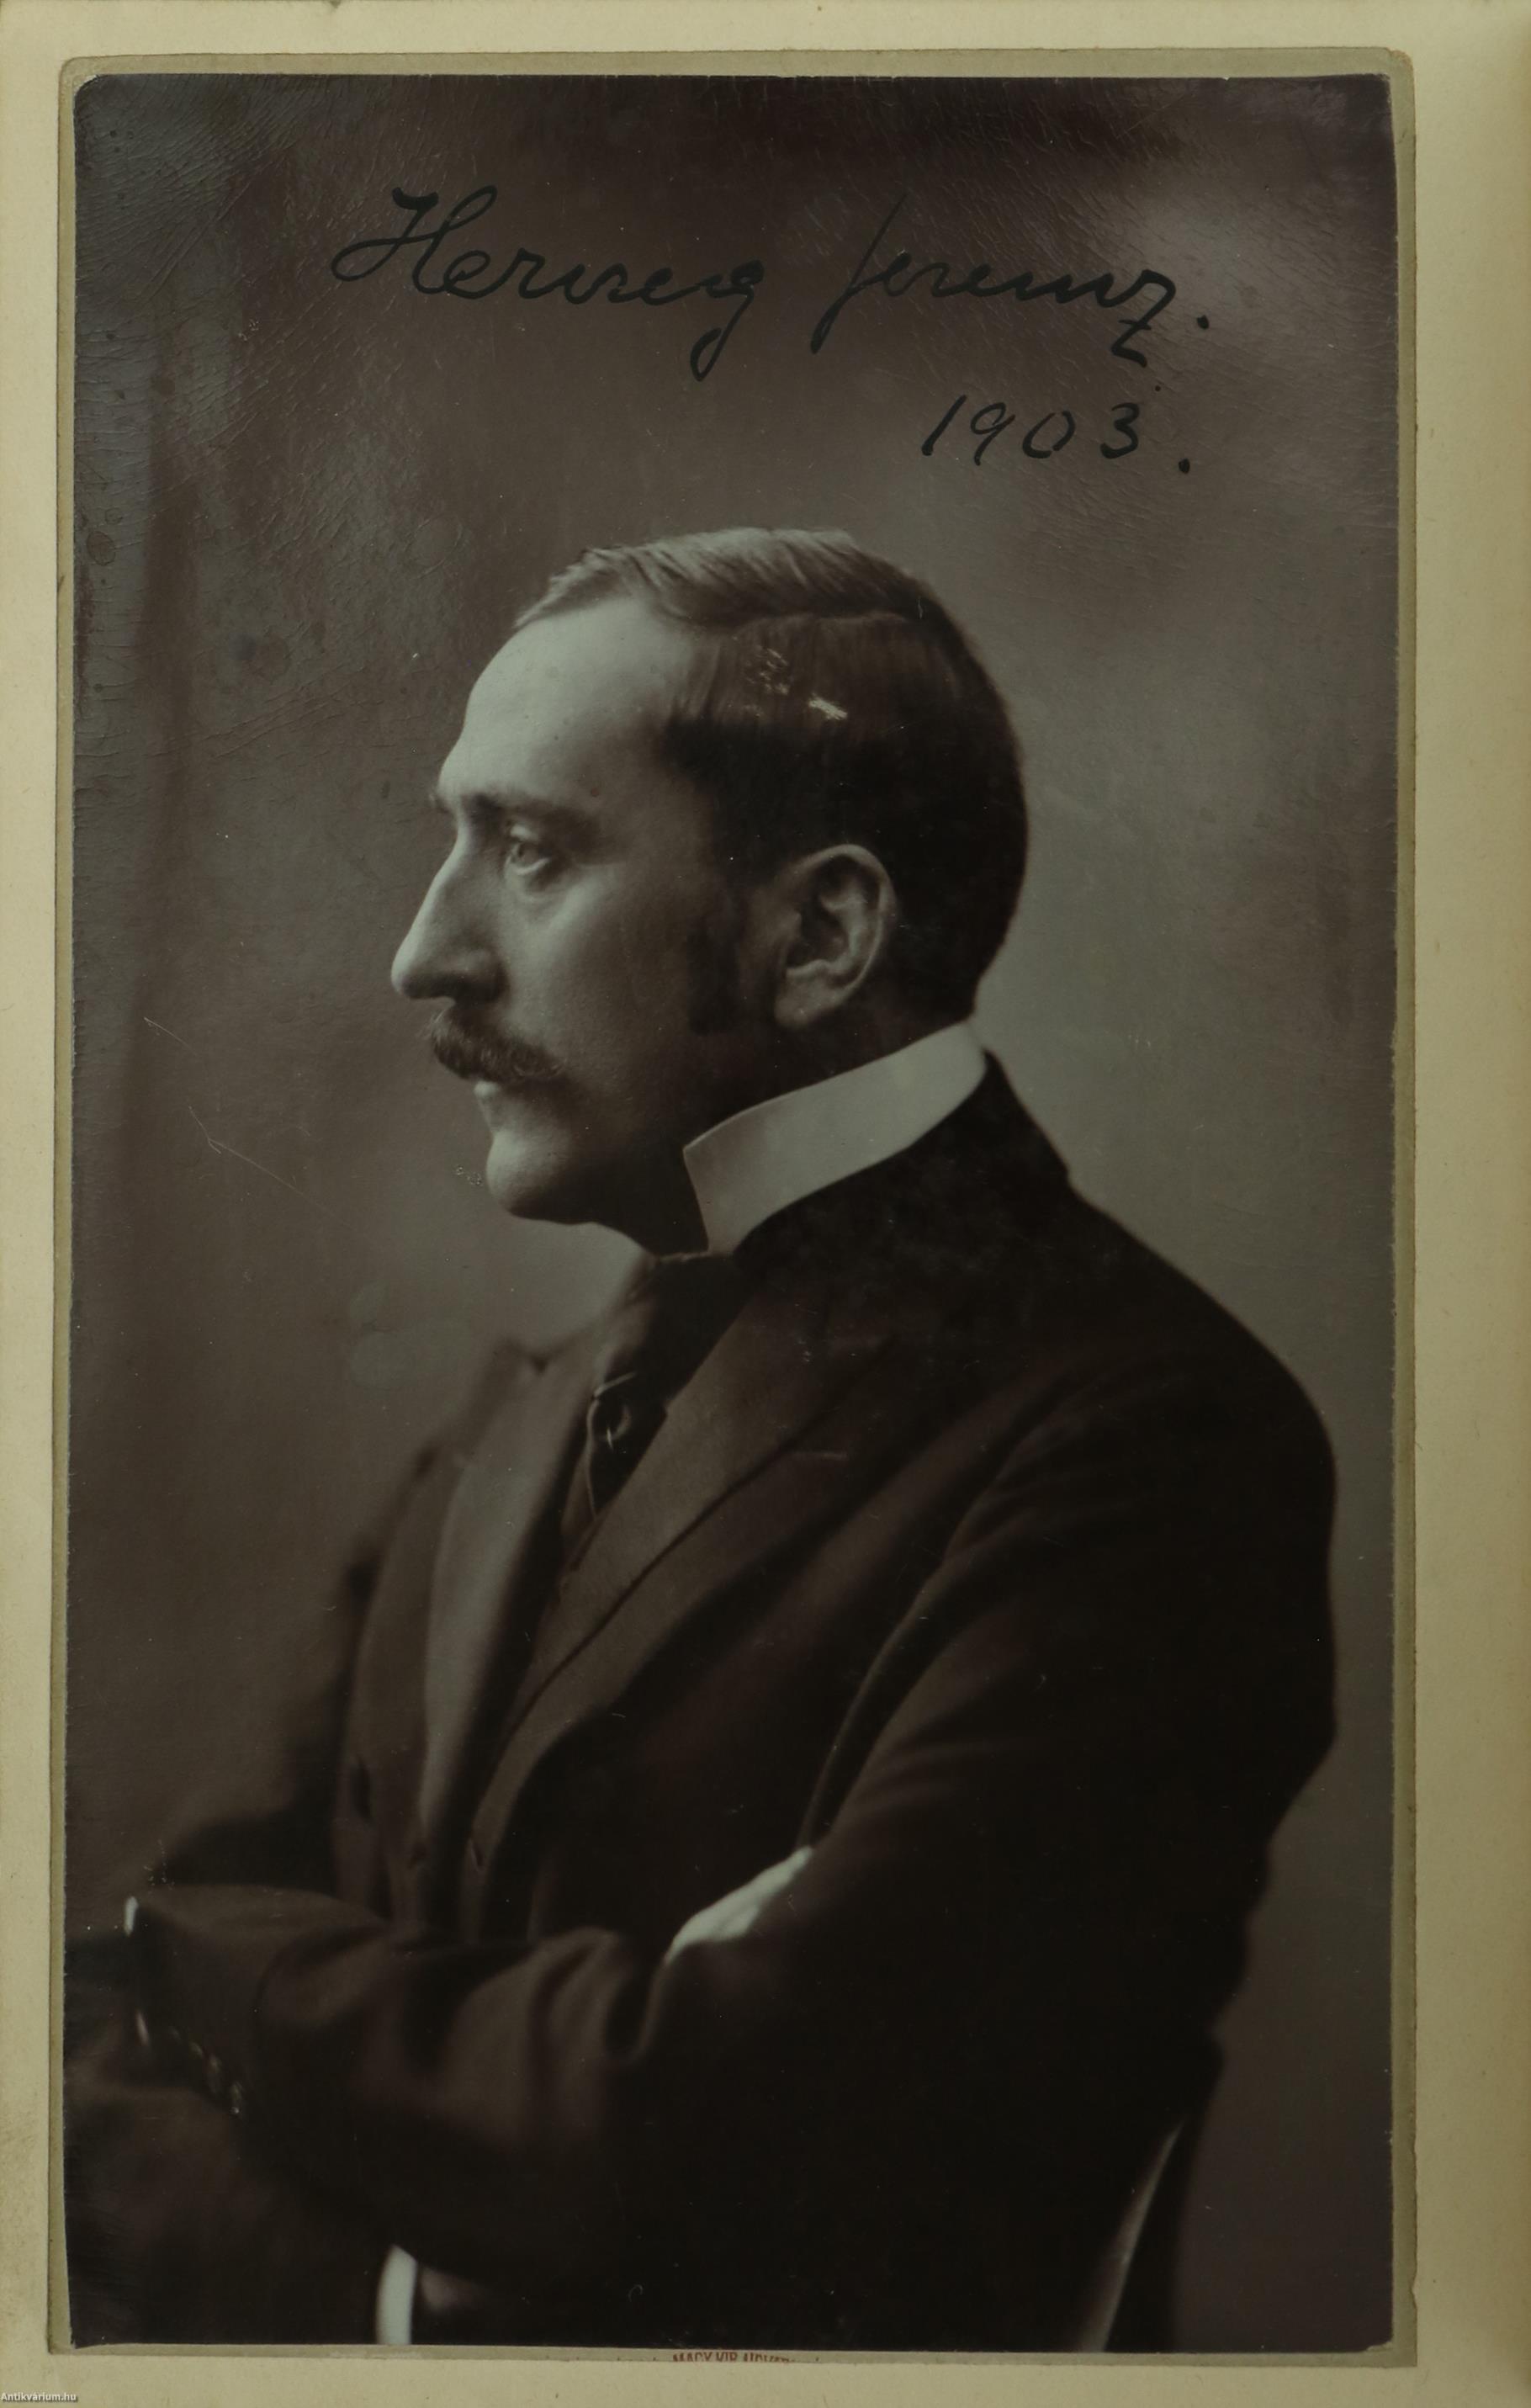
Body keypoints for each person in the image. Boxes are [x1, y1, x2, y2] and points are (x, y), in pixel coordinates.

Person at [66, 527, 1335, 2351]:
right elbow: (76, 2039)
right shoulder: (508, 1431)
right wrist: (389, 2299)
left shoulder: (1149, 1443)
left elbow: (715, 2128)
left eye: (532, 850)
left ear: (820, 935)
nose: (425, 954)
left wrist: (217, 1961)